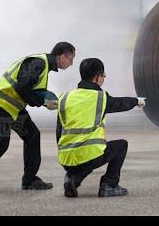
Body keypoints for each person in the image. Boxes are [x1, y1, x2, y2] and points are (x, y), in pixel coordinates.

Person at [0, 42, 76, 193]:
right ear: (62, 56)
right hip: (1, 105)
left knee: (32, 135)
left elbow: (30, 89)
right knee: (0, 143)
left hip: (14, 108)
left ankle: (29, 179)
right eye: (71, 59)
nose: (71, 64)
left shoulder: (43, 66)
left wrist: (44, 99)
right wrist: (41, 101)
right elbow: (21, 87)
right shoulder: (38, 63)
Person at [57, 58, 144, 198]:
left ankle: (73, 178)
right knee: (120, 145)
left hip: (66, 158)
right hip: (88, 156)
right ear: (97, 77)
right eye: (103, 76)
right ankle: (109, 185)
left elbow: (58, 131)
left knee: (86, 155)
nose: (103, 79)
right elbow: (119, 103)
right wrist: (136, 101)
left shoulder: (65, 97)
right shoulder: (100, 97)